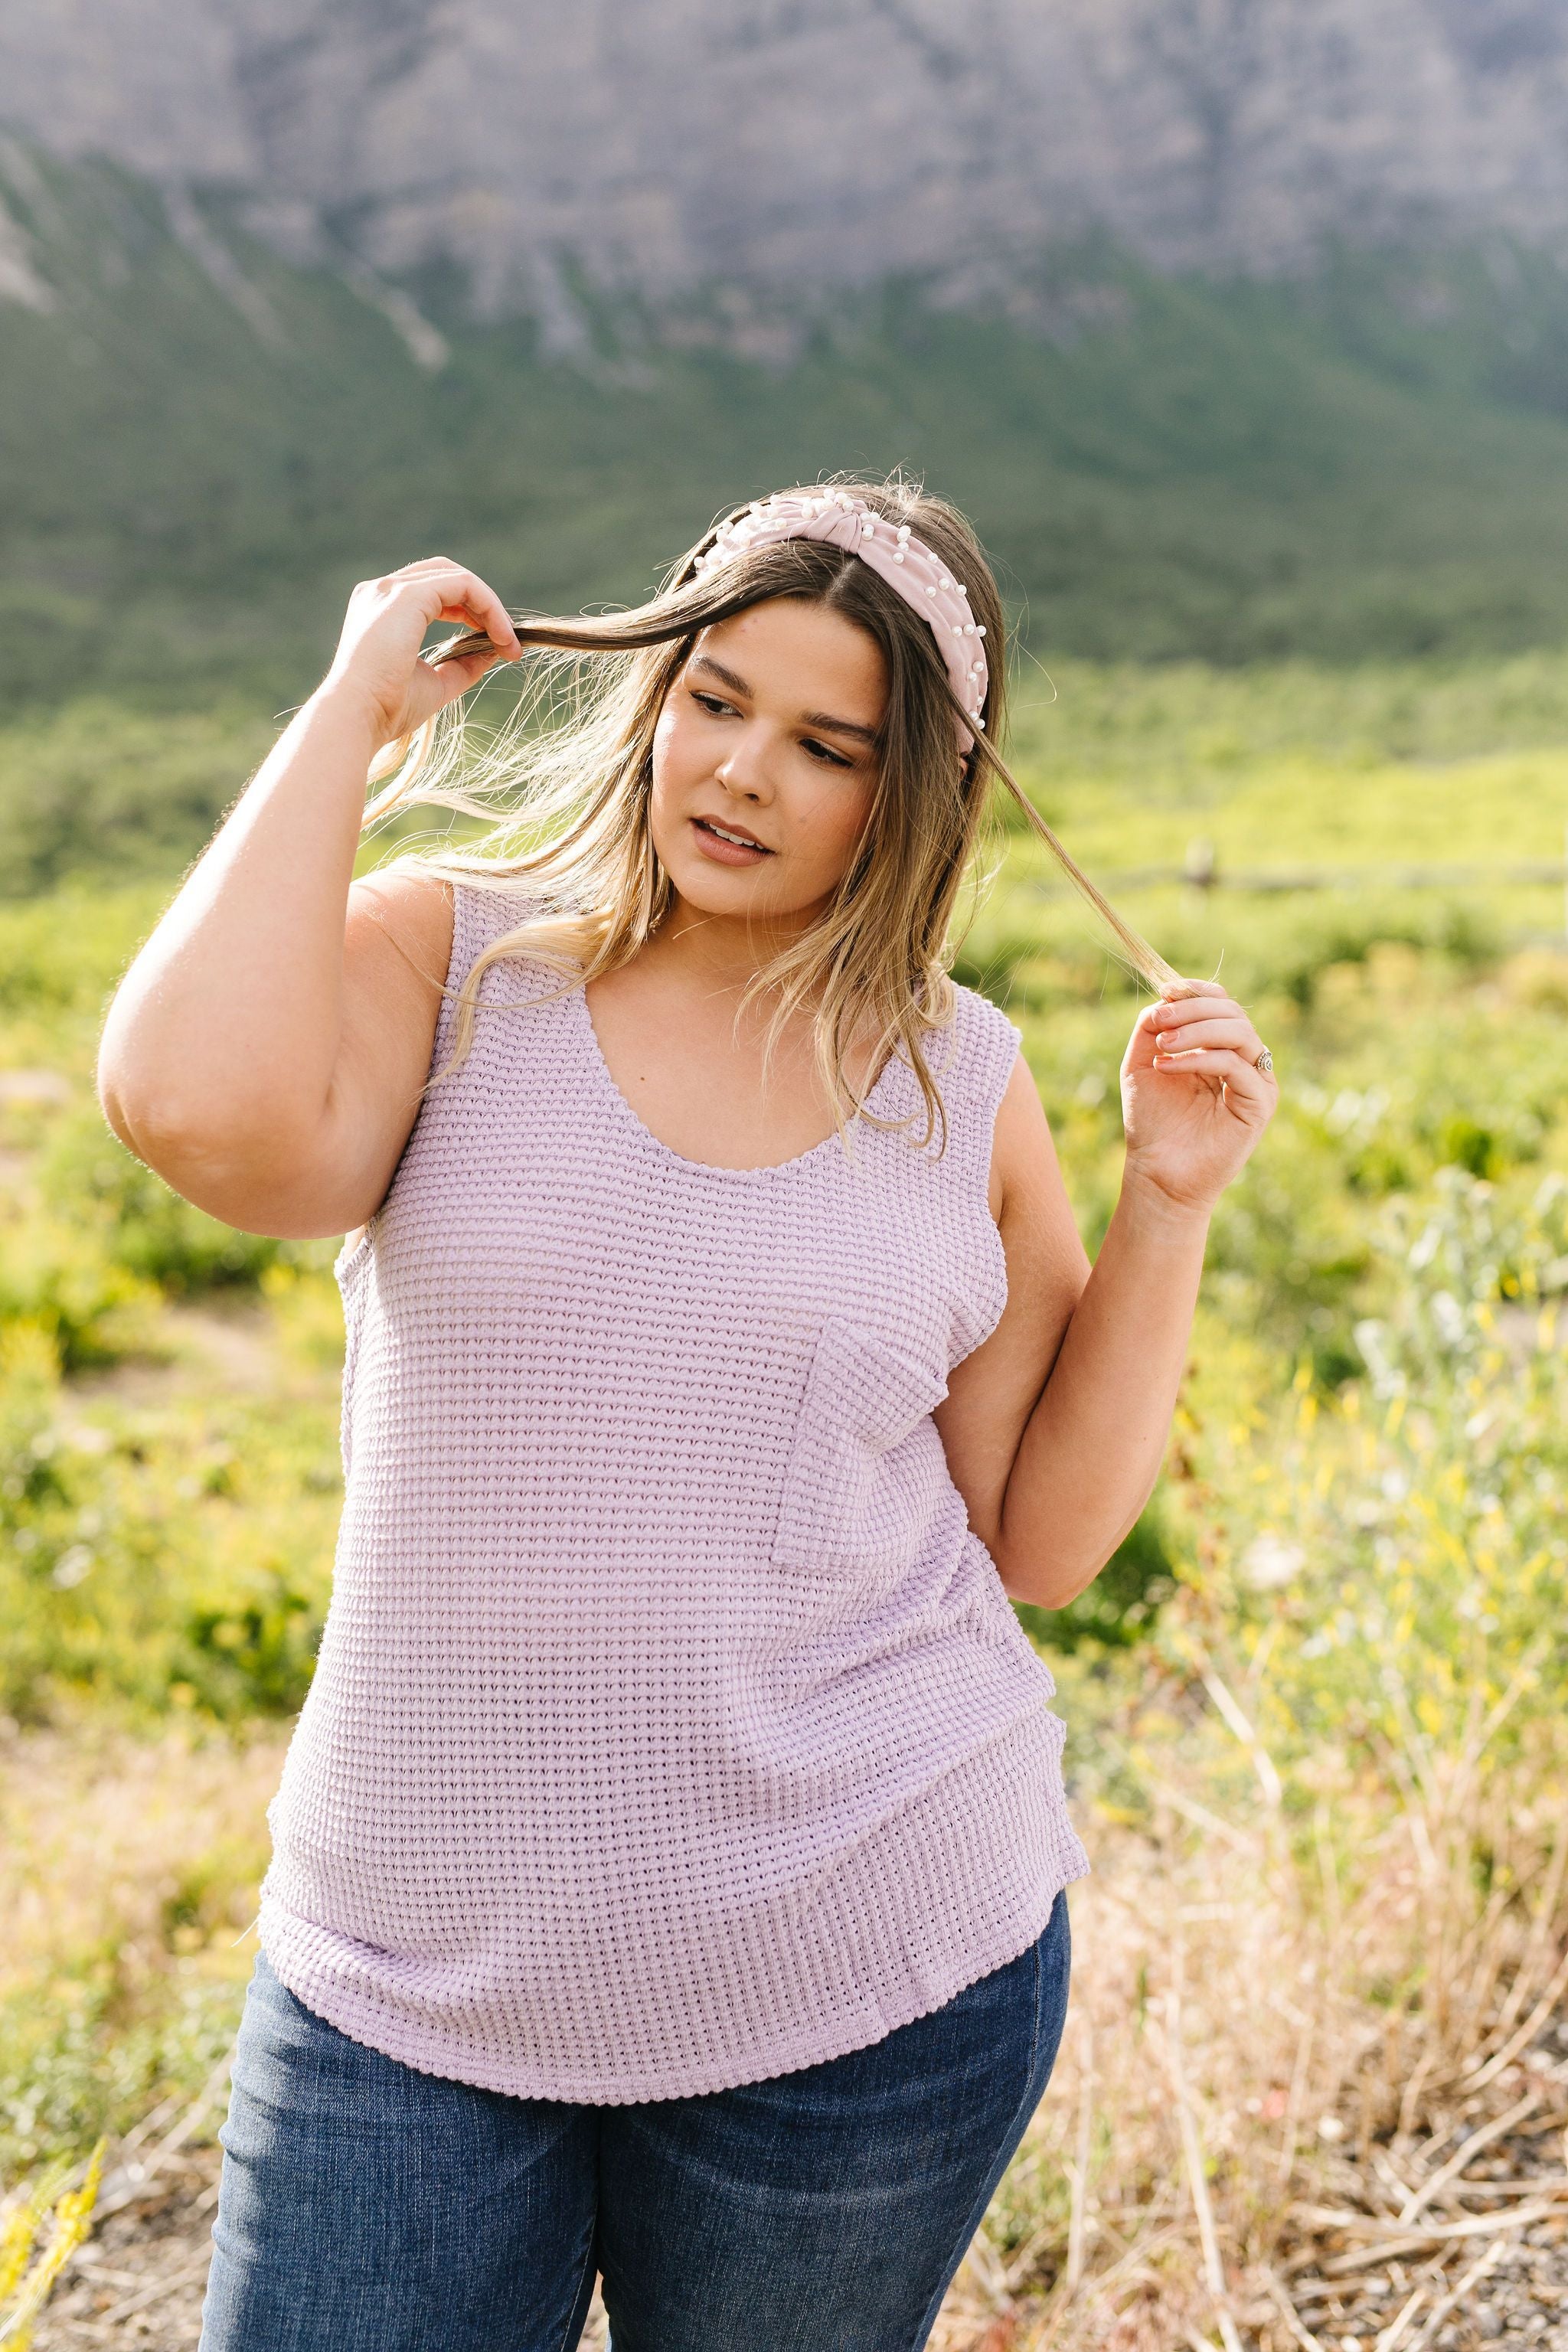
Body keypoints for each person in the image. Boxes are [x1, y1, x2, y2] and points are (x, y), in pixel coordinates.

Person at [97, 480, 1277, 2351]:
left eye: (825, 746)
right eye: (714, 697)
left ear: (912, 801)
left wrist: (1169, 1203)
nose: (740, 772)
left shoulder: (956, 1083)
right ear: (650, 687)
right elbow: (190, 1110)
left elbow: (1038, 1543)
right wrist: (355, 715)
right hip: (402, 1984)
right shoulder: (457, 958)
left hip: (858, 1982)